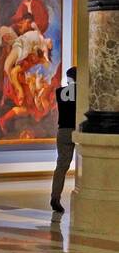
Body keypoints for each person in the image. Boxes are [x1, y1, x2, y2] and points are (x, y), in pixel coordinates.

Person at [50, 66, 77, 214]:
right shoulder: (82, 92)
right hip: (78, 130)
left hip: (63, 130)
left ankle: (55, 197)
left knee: (61, 166)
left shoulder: (59, 92)